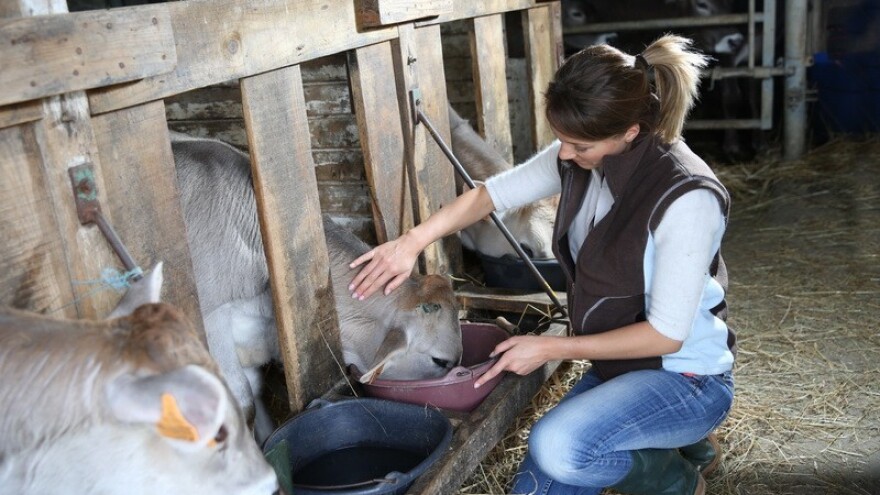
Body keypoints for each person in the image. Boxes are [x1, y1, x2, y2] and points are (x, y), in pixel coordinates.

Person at [348, 34, 735, 495]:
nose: (564, 155)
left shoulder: (687, 197)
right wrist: (413, 241)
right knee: (536, 488)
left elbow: (666, 335)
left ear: (629, 132)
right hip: (621, 368)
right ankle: (681, 445)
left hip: (684, 377)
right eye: (561, 141)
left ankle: (672, 478)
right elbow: (491, 195)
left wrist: (550, 348)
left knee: (559, 448)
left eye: (577, 145)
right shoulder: (583, 158)